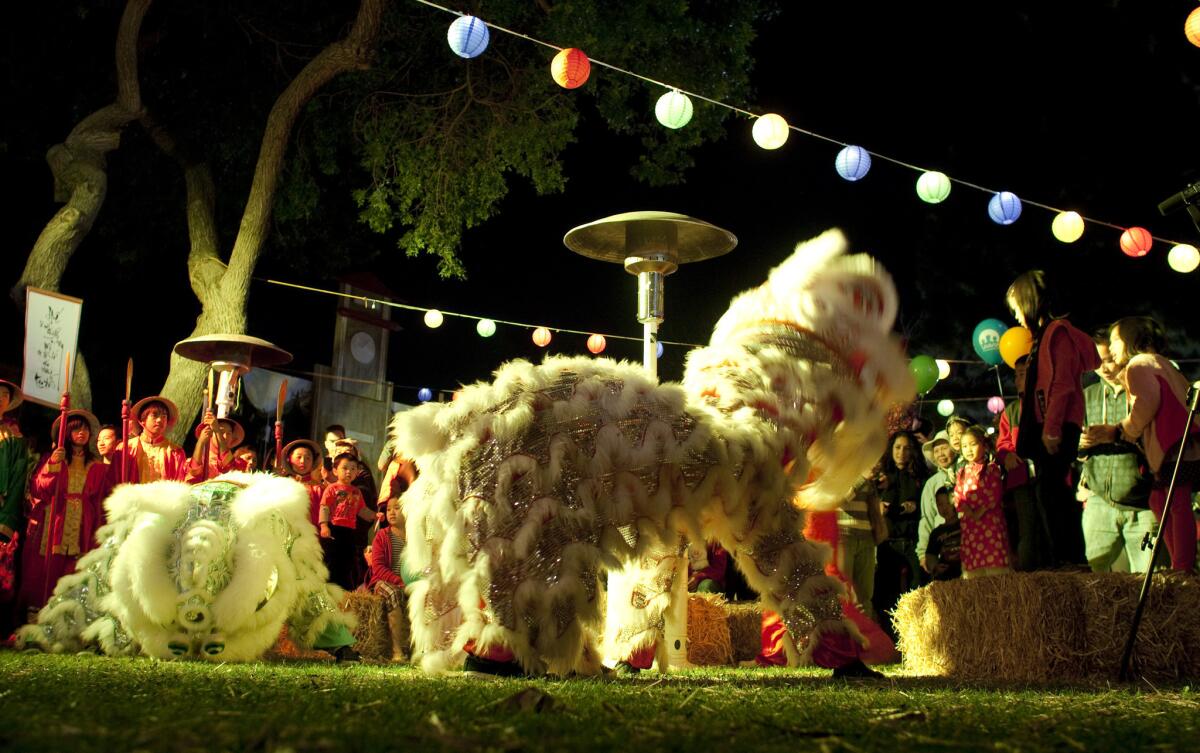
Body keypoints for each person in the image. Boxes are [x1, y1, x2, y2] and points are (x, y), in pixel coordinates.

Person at [1084, 316, 1199, 573]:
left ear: (1131, 340)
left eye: (1115, 341)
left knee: (1174, 502)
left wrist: (1123, 429)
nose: (1111, 349)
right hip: (1178, 444)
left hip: (1174, 446)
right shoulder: (1161, 364)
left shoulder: (1139, 365)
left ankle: (1182, 566)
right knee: (1160, 500)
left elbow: (1146, 402)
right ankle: (1178, 563)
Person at [1006, 270, 1099, 566]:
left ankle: (1072, 561)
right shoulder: (1041, 338)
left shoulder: (1057, 333)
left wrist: (1052, 429)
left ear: (1028, 302)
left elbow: (1062, 385)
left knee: (1056, 494)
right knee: (1049, 494)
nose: (1017, 315)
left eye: (1017, 307)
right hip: (1048, 425)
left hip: (1056, 426)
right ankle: (1064, 560)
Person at [17, 409, 112, 620]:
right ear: (67, 432)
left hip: (83, 522)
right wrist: (53, 465)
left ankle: (70, 615)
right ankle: (40, 613)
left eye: (85, 430)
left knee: (76, 565)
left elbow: (102, 497)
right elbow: (40, 488)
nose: (82, 433)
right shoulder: (53, 459)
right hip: (56, 517)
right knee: (49, 564)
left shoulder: (96, 465)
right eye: (76, 429)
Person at [1077, 329, 1155, 573]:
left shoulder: (1143, 393)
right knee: (1091, 571)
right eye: (1098, 361)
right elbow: (1072, 448)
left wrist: (1120, 435)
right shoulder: (1086, 396)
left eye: (1109, 359)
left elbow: (1157, 441)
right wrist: (1079, 446)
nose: (1105, 367)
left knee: (1148, 576)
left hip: (1144, 504)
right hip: (1100, 501)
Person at [995, 355, 1049, 570]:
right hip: (1021, 477)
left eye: (1022, 374)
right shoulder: (1011, 412)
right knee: (1027, 527)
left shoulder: (1048, 404)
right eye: (1016, 375)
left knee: (1050, 524)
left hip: (1047, 475)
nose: (1017, 380)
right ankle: (1027, 576)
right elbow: (1002, 444)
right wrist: (1007, 455)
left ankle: (1055, 569)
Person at [873, 430, 928, 635]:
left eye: (906, 448)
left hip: (912, 540)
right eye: (897, 447)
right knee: (885, 593)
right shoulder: (882, 476)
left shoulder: (919, 476)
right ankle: (890, 637)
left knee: (917, 589)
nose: (901, 452)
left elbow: (919, 506)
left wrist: (908, 508)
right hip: (888, 542)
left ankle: (916, 636)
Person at [954, 425, 1011, 578]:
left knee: (994, 560)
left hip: (990, 522)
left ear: (984, 446)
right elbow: (958, 496)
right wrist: (968, 511)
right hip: (971, 525)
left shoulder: (992, 469)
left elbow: (995, 493)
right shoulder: (961, 473)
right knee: (974, 565)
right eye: (964, 446)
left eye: (973, 444)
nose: (968, 449)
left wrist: (980, 511)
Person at [367, 499, 416, 662]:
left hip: (408, 582)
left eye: (397, 508)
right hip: (383, 581)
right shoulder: (382, 536)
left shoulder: (414, 538)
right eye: (388, 510)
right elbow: (378, 568)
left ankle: (418, 648)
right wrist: (399, 581)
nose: (392, 513)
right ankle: (397, 651)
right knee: (394, 594)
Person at [319, 453, 375, 590]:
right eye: (345, 468)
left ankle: (345, 589)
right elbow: (324, 507)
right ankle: (328, 587)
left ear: (357, 472)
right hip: (334, 529)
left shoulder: (356, 491)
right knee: (331, 560)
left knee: (348, 560)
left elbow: (362, 510)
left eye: (353, 468)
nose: (349, 471)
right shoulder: (332, 488)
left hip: (350, 531)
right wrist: (324, 525)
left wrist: (375, 515)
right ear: (335, 470)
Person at [836, 471, 884, 621]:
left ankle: (866, 639)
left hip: (867, 537)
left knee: (865, 596)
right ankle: (845, 639)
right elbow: (839, 500)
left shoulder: (864, 468)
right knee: (844, 592)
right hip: (844, 537)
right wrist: (862, 478)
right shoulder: (838, 468)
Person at [109, 396, 188, 484]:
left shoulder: (175, 452)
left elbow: (181, 484)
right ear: (142, 420)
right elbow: (114, 482)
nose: (159, 420)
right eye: (154, 415)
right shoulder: (126, 448)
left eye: (164, 416)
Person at [915, 431, 957, 573]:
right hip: (942, 548)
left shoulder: (965, 472)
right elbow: (926, 518)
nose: (940, 454)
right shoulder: (931, 484)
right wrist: (923, 553)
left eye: (944, 448)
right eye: (936, 450)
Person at [0, 380, 35, 545]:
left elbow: (17, 481)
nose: (0, 398)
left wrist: (6, 521)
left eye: (5, 395)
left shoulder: (15, 438)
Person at [185, 412, 248, 483]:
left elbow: (227, 466)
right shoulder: (196, 462)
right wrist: (200, 443)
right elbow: (194, 474)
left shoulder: (239, 464)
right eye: (221, 432)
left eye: (229, 433)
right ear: (209, 434)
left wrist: (217, 431)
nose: (225, 437)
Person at [281, 438, 324, 526]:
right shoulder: (282, 485)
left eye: (308, 458)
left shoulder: (318, 488)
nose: (303, 461)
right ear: (289, 459)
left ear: (313, 461)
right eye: (298, 457)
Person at [924, 486, 962, 581]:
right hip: (948, 575)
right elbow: (930, 554)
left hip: (965, 571)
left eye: (948, 503)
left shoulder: (965, 524)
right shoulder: (937, 532)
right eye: (940, 504)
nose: (944, 508)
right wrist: (935, 566)